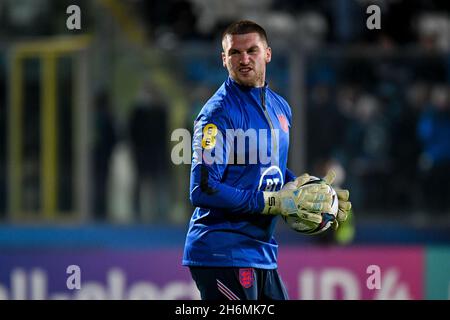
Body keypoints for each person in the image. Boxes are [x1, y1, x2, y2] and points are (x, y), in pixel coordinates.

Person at [182, 20, 351, 300]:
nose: (244, 59)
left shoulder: (280, 107)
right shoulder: (217, 114)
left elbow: (266, 167)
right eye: (235, 53)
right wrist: (272, 202)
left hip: (262, 253)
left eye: (252, 50)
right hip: (223, 252)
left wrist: (309, 192)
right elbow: (203, 189)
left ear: (268, 53)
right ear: (224, 60)